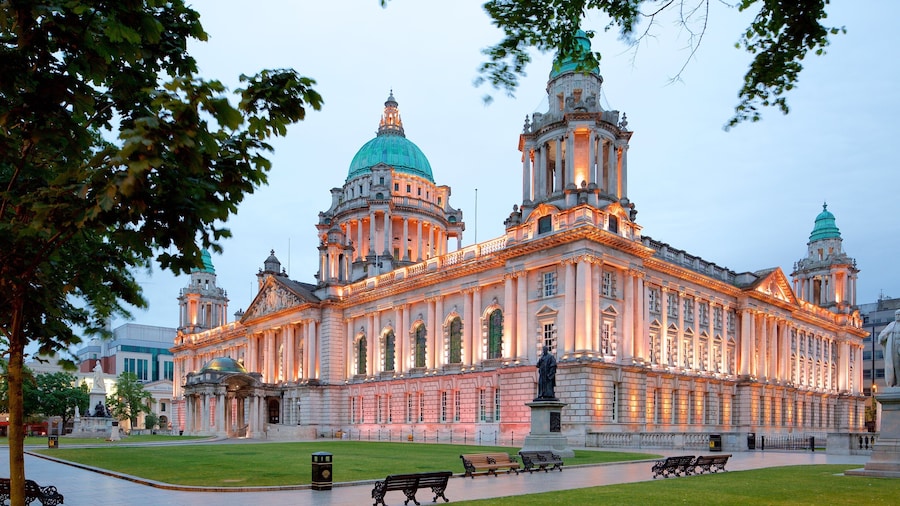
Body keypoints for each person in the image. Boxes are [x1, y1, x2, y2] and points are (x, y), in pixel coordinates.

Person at [878, 309, 900, 387]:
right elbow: (883, 334)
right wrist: (882, 337)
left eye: (899, 315)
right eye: (896, 315)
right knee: (896, 364)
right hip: (894, 345)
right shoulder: (892, 325)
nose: (898, 316)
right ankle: (898, 383)